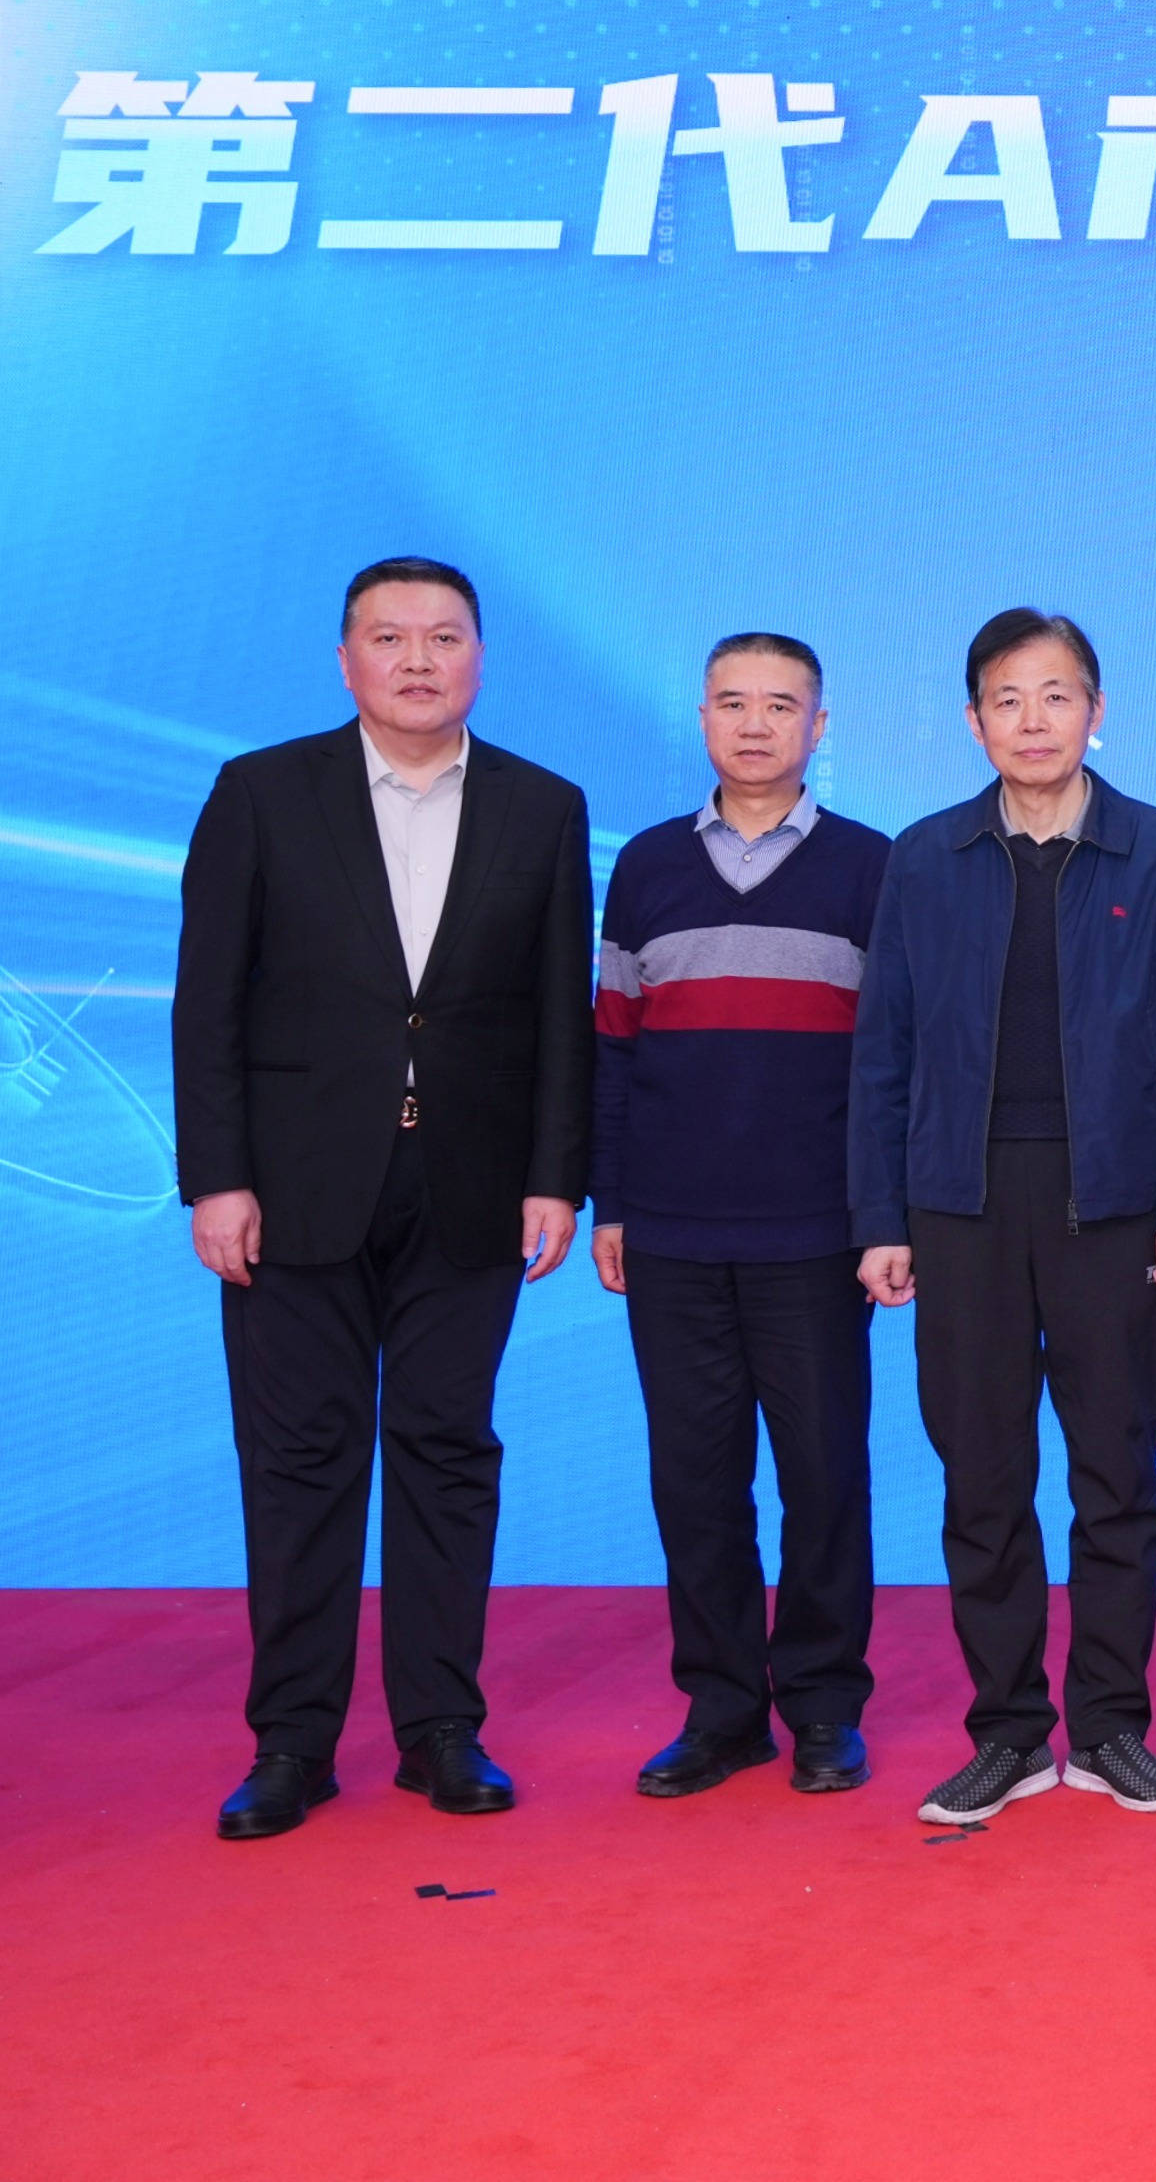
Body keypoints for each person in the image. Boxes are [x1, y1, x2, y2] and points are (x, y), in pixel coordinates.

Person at [175, 556, 592, 1841]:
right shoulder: (261, 792)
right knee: (298, 1460)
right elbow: (208, 999)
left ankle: (441, 1730)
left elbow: (559, 1016)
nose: (418, 660)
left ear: (480, 657)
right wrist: (216, 1177)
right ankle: (291, 1743)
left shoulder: (542, 805)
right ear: (346, 656)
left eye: (444, 637)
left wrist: (555, 1175)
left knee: (446, 1451)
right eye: (389, 636)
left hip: (472, 1186)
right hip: (293, 1187)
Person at [852, 609, 1156, 1829]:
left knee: (1116, 1473)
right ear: (974, 721)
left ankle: (1111, 1726)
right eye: (1008, 699)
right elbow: (883, 1048)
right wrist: (881, 1215)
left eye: (1057, 695)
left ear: (1096, 711)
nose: (1033, 720)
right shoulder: (924, 858)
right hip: (957, 1204)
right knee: (983, 1476)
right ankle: (1008, 1733)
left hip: (1113, 1206)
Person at [589, 632, 888, 1800]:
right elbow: (614, 1048)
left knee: (824, 1478)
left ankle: (822, 1706)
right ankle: (721, 1709)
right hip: (669, 1232)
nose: (754, 725)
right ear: (702, 718)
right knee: (694, 1482)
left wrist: (881, 1216)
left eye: (779, 705)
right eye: (731, 703)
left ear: (820, 725)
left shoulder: (870, 866)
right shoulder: (647, 865)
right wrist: (613, 1202)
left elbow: (892, 1064)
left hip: (815, 1234)